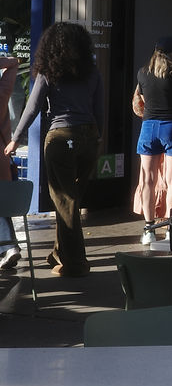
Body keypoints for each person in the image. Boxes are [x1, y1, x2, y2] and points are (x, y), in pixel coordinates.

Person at [5, 22, 103, 277]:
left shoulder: (48, 73)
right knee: (70, 200)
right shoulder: (92, 72)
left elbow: (32, 107)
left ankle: (76, 264)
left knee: (65, 201)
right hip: (89, 137)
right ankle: (60, 253)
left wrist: (16, 138)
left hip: (60, 139)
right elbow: (99, 107)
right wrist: (98, 137)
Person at [132, 36, 172, 244]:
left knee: (147, 181)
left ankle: (149, 229)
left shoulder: (142, 73)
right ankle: (171, 228)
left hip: (149, 128)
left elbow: (139, 100)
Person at [1, 54, 22, 270]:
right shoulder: (3, 91)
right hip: (2, 157)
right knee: (2, 201)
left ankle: (8, 247)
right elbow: (14, 62)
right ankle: (9, 247)